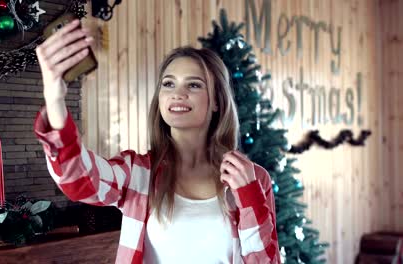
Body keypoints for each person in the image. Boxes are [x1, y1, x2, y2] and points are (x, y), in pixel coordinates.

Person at [34, 18, 280, 264]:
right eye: (168, 83)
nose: (177, 93)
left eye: (194, 85)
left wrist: (249, 196)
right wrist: (54, 98)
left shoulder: (252, 179)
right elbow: (79, 180)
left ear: (216, 101)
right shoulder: (138, 173)